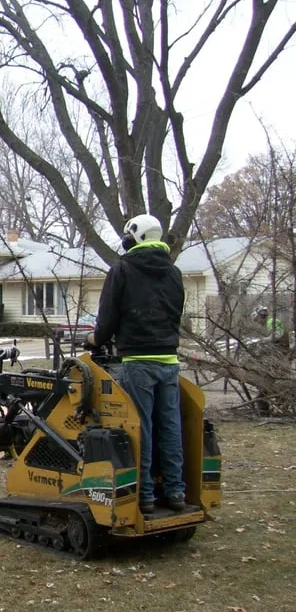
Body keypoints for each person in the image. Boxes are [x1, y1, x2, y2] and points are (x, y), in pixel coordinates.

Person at [86, 214, 186, 514]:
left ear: (136, 237)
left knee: (139, 427)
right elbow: (175, 312)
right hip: (169, 360)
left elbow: (108, 317)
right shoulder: (174, 272)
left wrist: (96, 339)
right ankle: (176, 491)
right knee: (170, 426)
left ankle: (144, 496)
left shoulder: (122, 269)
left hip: (137, 361)